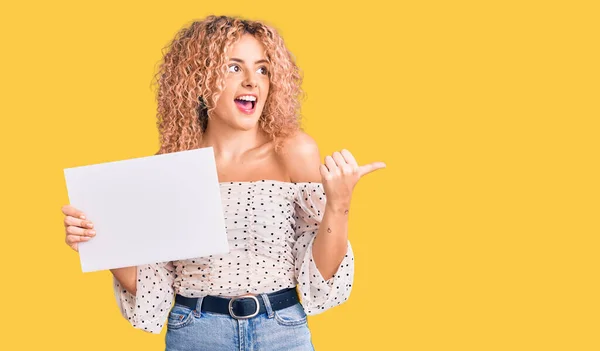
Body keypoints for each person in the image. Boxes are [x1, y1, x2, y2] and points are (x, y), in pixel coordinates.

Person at [61, 15, 385, 351]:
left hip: (282, 331)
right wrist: (102, 241)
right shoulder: (171, 165)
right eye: (234, 68)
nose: (251, 81)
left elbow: (323, 274)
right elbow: (153, 285)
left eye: (262, 69)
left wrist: (339, 205)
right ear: (199, 79)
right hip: (195, 333)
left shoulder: (295, 150)